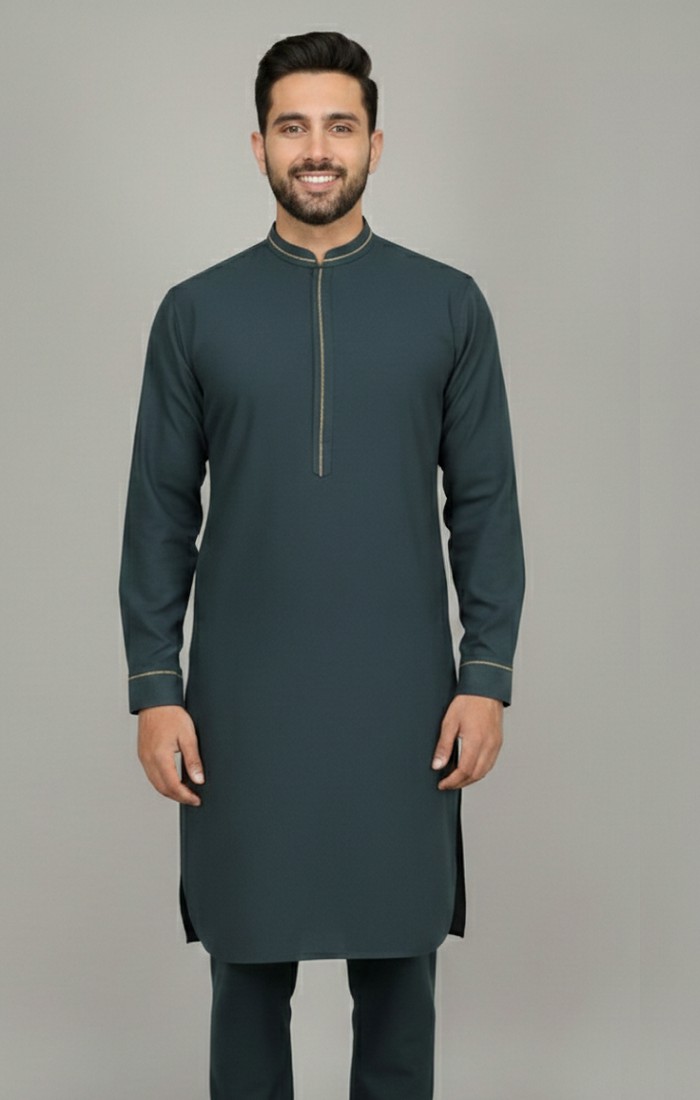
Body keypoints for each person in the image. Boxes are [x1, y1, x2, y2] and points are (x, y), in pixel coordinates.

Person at [118, 29, 525, 1100]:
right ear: (257, 145)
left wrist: (485, 677)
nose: (315, 148)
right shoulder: (195, 311)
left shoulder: (449, 304)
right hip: (241, 708)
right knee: (245, 978)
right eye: (292, 126)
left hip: (405, 703)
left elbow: (485, 506)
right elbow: (159, 514)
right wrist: (155, 690)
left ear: (375, 145)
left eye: (338, 126)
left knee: (400, 978)